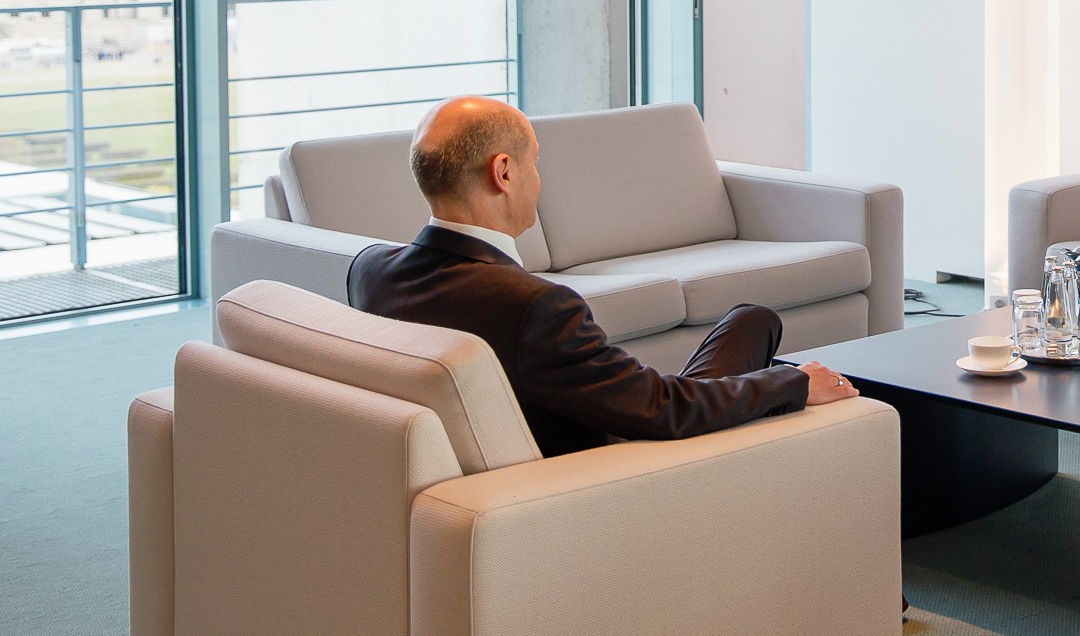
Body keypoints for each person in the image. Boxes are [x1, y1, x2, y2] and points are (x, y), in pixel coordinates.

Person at [347, 95, 860, 457]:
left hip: (575, 428)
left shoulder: (371, 273)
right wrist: (793, 383)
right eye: (534, 164)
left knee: (753, 320)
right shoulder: (535, 307)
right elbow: (662, 411)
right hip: (617, 472)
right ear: (503, 173)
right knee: (780, 373)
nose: (538, 181)